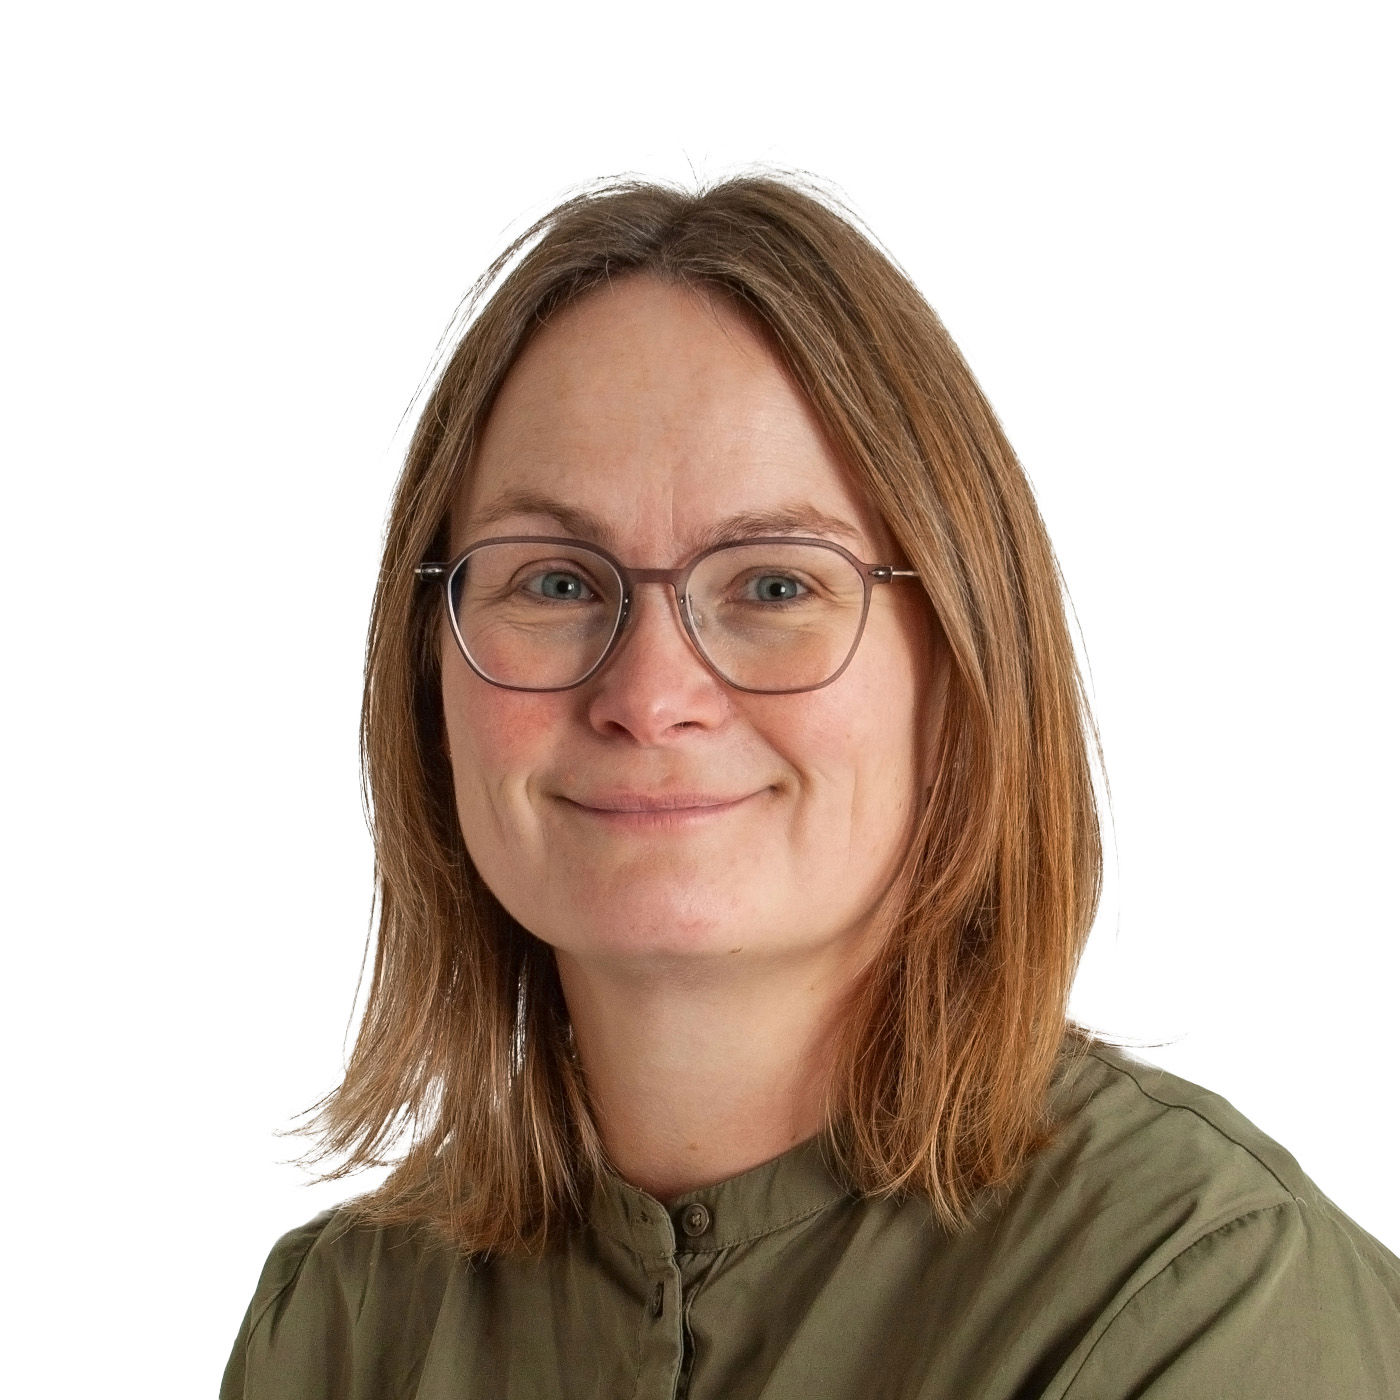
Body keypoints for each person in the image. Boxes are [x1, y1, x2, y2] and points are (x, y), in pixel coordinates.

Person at [221, 176, 1400, 1399]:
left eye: (774, 584)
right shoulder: (340, 1321)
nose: (650, 693)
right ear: (427, 668)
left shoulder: (1202, 1297)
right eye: (555, 582)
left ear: (960, 659)